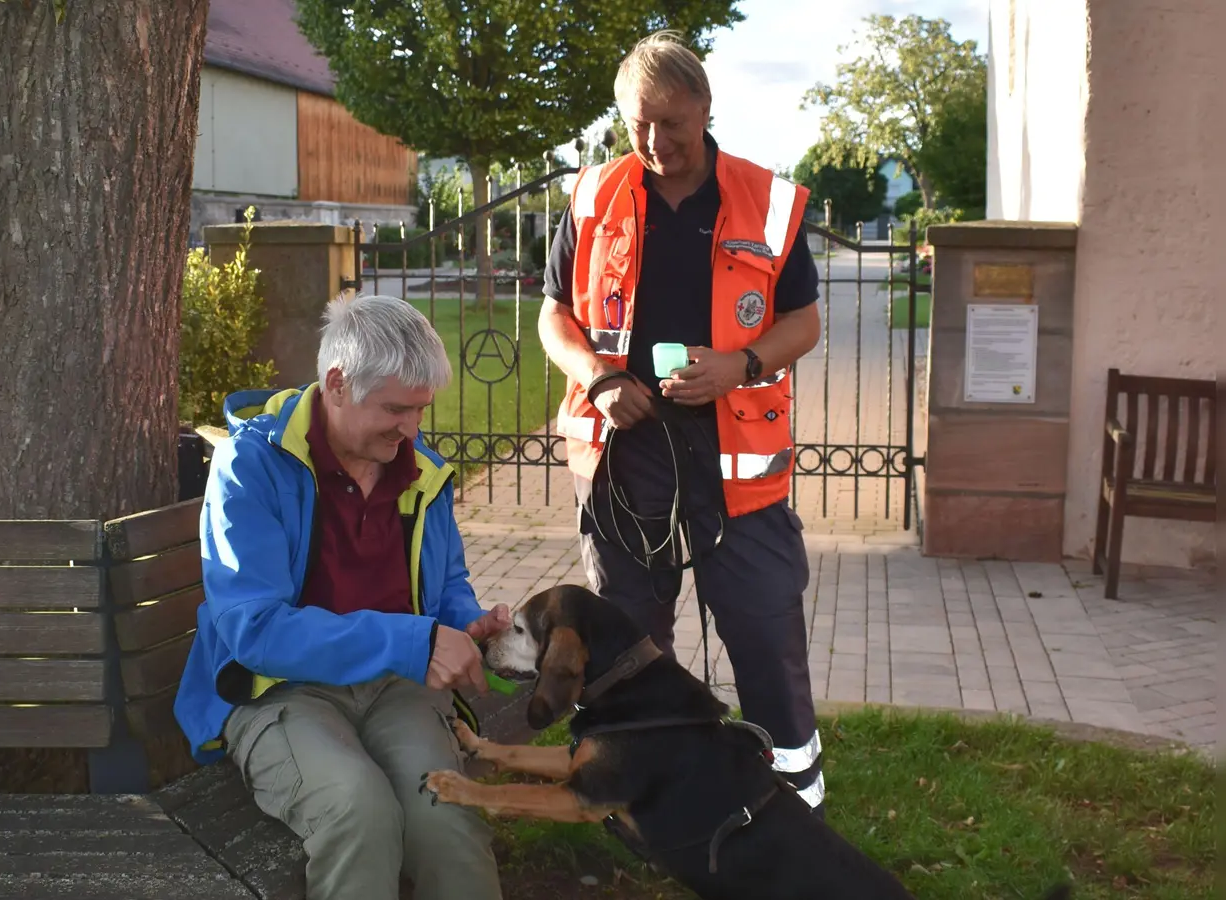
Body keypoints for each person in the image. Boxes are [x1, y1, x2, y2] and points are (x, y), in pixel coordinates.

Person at [537, 31, 828, 817]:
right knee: (627, 650)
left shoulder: (765, 200)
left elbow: (803, 319)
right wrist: (598, 378)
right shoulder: (595, 195)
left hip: (737, 470)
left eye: (673, 122)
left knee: (766, 643)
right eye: (639, 125)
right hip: (625, 462)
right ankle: (641, 805)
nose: (657, 142)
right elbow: (553, 316)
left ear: (705, 109)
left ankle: (792, 810)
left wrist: (741, 366)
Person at [173, 293, 509, 900]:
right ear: (336, 384)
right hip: (280, 691)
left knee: (445, 813)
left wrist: (469, 624)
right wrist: (415, 640)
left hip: (395, 687)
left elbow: (448, 583)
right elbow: (255, 632)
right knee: (359, 811)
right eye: (396, 409)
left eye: (420, 410)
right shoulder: (249, 466)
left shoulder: (421, 470)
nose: (412, 429)